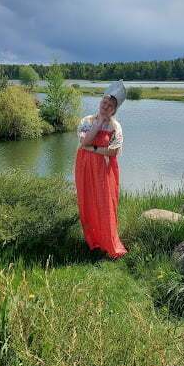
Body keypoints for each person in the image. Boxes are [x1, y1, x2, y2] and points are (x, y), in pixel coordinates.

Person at [75, 80, 127, 259]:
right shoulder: (87, 121)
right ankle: (93, 241)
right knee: (88, 202)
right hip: (85, 167)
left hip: (105, 169)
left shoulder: (115, 127)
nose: (106, 106)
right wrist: (98, 124)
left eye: (110, 106)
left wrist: (93, 149)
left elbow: (114, 151)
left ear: (114, 110)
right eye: (104, 102)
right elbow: (84, 141)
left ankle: (109, 243)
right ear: (100, 102)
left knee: (106, 204)